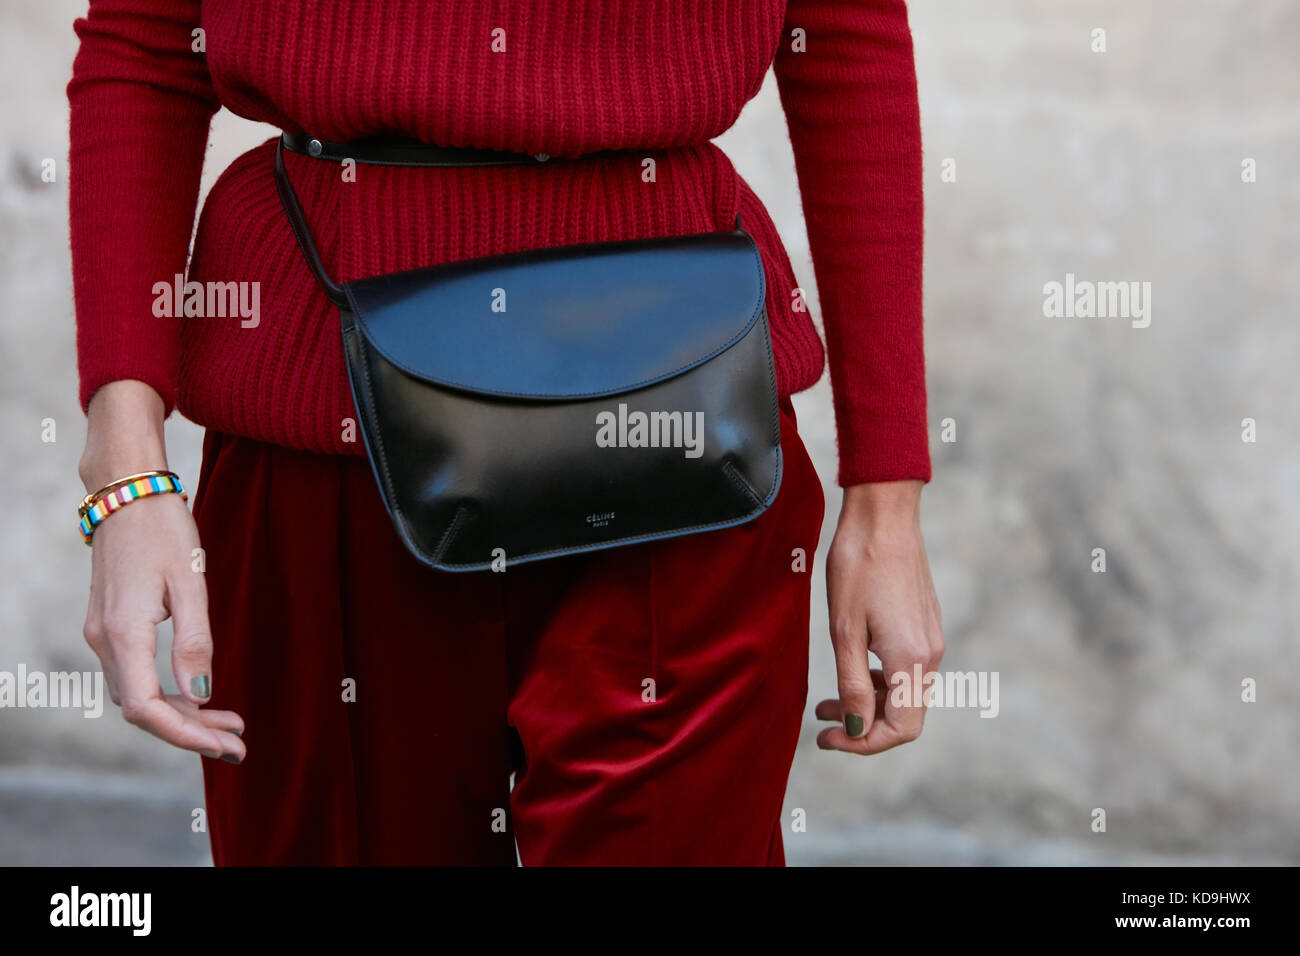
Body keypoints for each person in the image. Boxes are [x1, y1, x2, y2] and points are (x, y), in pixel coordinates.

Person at [70, 0, 944, 865]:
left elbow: (840, 31)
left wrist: (888, 496)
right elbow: (145, 39)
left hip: (691, 440)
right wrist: (126, 478)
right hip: (331, 425)